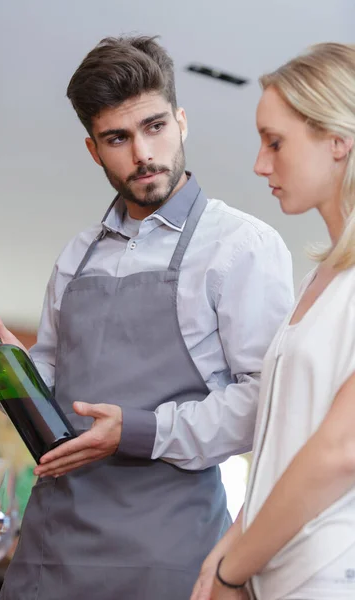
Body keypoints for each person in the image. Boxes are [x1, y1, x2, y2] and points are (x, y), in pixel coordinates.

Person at [0, 36, 293, 600]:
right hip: (49, 553)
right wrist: (10, 375)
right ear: (94, 150)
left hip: (166, 560)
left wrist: (137, 431)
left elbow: (263, 403)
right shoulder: (75, 256)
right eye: (118, 138)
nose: (142, 153)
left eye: (155, 127)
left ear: (182, 121)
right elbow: (53, 377)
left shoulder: (241, 246)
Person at [191, 42, 355, 600]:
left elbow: (341, 451)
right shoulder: (317, 283)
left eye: (275, 142)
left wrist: (233, 568)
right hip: (274, 576)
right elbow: (283, 448)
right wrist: (222, 555)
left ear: (338, 140)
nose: (261, 164)